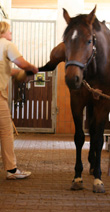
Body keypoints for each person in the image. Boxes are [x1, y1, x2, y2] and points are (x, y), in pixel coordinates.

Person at [0, 21, 38, 179]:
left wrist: (21, 73)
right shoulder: (7, 44)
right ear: (4, 31)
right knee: (6, 131)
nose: (11, 34)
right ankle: (11, 170)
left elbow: (9, 70)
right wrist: (32, 68)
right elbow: (21, 63)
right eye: (10, 31)